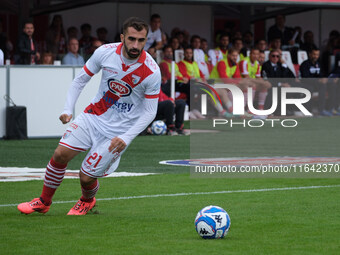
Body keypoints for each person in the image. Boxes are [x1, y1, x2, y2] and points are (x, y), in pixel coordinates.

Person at [17, 17, 161, 215]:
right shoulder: (105, 52)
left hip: (117, 134)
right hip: (92, 117)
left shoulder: (152, 71)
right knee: (60, 155)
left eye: (141, 40)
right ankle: (43, 201)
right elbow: (80, 80)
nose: (136, 45)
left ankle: (87, 200)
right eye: (131, 39)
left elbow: (150, 111)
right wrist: (68, 108)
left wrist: (127, 138)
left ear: (146, 40)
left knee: (85, 177)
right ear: (122, 37)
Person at [300, 48, 335, 116]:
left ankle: (331, 108)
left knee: (333, 84)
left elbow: (322, 75)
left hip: (318, 83)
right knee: (322, 85)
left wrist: (324, 79)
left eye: (317, 55)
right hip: (308, 83)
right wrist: (318, 80)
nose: (315, 56)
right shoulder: (305, 64)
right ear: (310, 54)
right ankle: (321, 110)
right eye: (314, 54)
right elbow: (305, 78)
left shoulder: (319, 64)